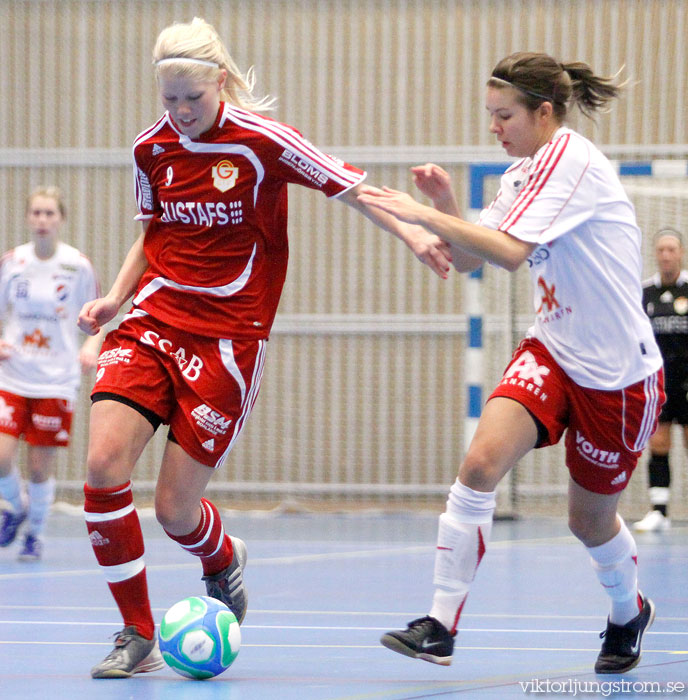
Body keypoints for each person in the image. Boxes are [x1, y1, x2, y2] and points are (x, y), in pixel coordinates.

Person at [76, 17, 451, 680]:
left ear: (219, 81)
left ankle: (221, 559)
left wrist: (413, 234)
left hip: (228, 340)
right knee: (103, 466)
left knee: (174, 510)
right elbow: (152, 233)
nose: (182, 113)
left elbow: (353, 187)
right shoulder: (150, 150)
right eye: (169, 101)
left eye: (193, 98)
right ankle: (134, 631)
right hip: (153, 321)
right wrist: (114, 299)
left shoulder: (261, 141)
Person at [358, 51, 665, 675]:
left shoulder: (572, 160)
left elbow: (509, 253)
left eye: (504, 116)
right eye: (489, 115)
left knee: (588, 522)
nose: (493, 128)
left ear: (543, 112)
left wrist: (425, 213)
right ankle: (439, 626)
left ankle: (628, 611)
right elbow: (472, 259)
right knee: (478, 465)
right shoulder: (522, 174)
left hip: (618, 377)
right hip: (551, 350)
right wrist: (446, 203)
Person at [0, 186, 103, 560]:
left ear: (60, 219)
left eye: (49, 214)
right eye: (37, 213)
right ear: (28, 218)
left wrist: (90, 346)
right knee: (1, 457)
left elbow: (97, 316)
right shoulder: (13, 263)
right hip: (13, 374)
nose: (43, 220)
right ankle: (16, 507)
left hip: (56, 379)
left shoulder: (77, 265)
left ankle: (35, 534)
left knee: (40, 467)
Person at [634, 229, 688, 532]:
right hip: (659, 383)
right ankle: (660, 512)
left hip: (687, 380)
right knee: (658, 442)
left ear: (680, 252)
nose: (666, 254)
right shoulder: (645, 293)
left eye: (671, 249)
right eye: (661, 250)